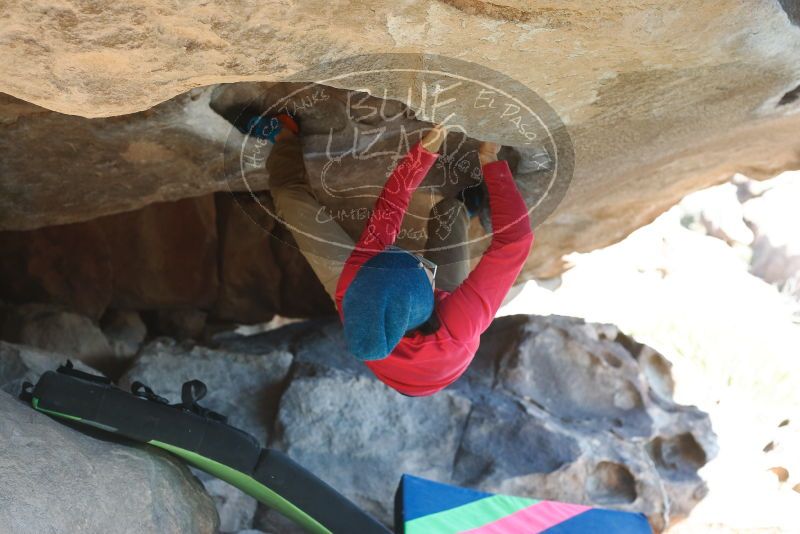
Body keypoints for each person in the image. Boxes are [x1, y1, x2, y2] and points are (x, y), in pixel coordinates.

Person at [245, 113, 534, 397]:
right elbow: (515, 242)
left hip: (384, 317)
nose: (418, 257)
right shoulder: (459, 323)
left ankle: (285, 137)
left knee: (289, 197)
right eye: (421, 266)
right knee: (448, 214)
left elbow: (389, 212)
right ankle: (463, 209)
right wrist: (491, 165)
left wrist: (422, 154)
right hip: (444, 362)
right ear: (434, 291)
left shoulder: (355, 284)